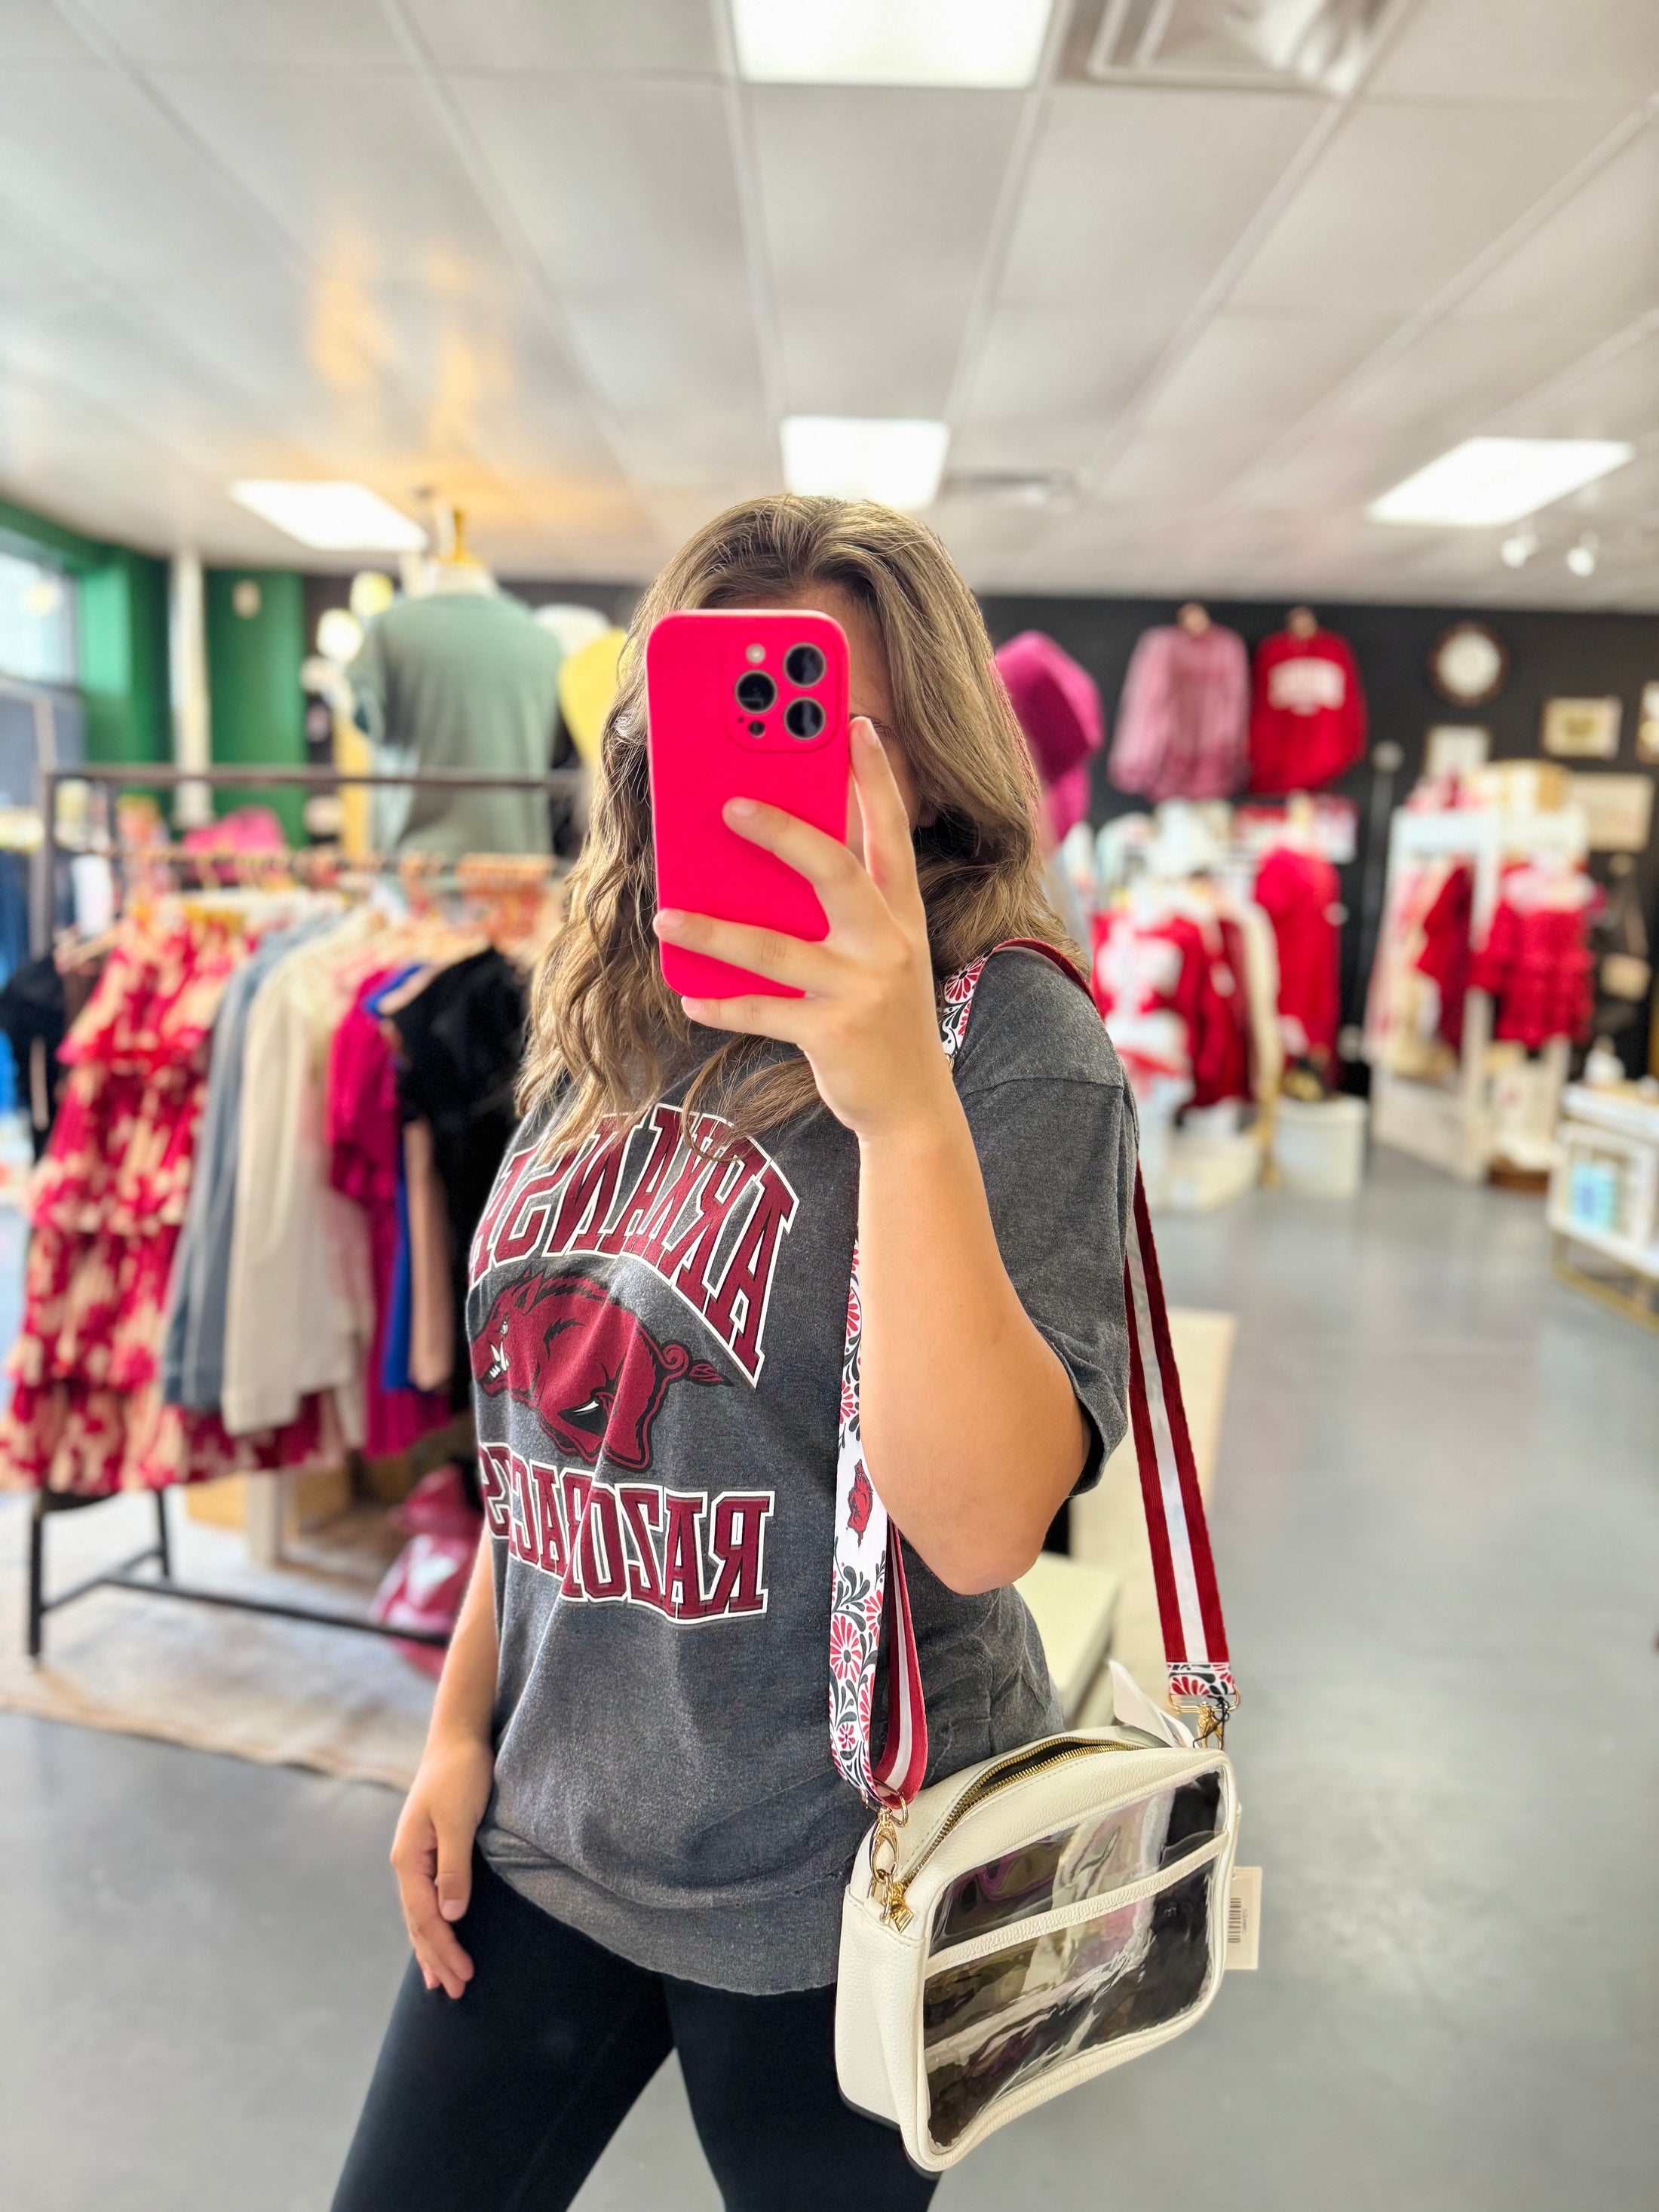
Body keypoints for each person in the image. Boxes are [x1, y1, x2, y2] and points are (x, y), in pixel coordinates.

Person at [333, 496, 1136, 2212]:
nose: (777, 766)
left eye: (829, 713)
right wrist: (459, 1732)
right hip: (550, 1818)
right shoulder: (615, 999)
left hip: (830, 1880)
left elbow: (985, 1528)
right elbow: (552, 1433)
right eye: (727, 707)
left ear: (924, 755)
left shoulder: (1013, 1043)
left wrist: (895, 1102)